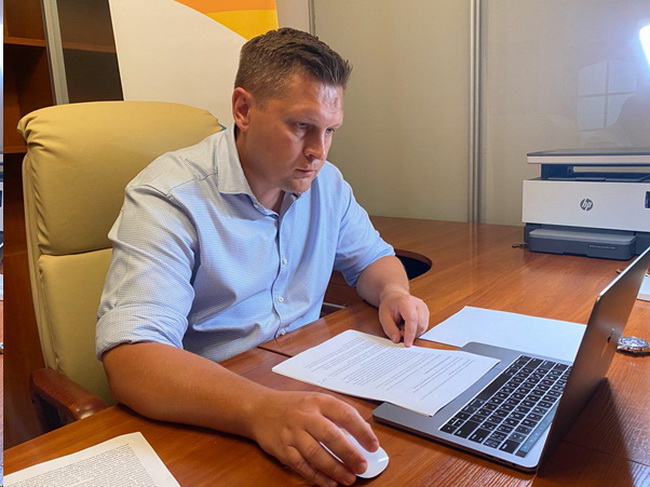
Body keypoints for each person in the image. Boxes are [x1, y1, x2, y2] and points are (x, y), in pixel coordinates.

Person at [97, 27, 429, 487]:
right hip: (216, 412)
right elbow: (131, 360)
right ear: (243, 110)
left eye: (330, 131)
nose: (318, 152)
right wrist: (260, 409)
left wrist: (393, 291)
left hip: (309, 381)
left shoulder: (327, 183)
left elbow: (373, 258)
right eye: (301, 126)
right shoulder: (169, 197)